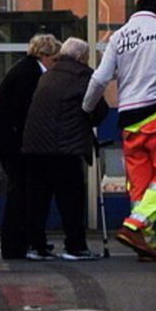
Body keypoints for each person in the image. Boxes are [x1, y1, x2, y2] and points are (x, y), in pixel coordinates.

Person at [83, 0, 156, 261]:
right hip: (155, 114)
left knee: (140, 186)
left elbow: (100, 79)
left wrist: (85, 110)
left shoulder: (118, 37)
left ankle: (146, 245)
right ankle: (135, 226)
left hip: (128, 120)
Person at [22, 37, 108, 261]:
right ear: (81, 57)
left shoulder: (47, 75)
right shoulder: (83, 76)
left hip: (35, 146)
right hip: (65, 148)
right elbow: (100, 109)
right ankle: (75, 246)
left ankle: (37, 246)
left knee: (38, 198)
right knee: (71, 199)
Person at [0, 33, 62, 259]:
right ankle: (16, 244)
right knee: (21, 193)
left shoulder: (25, 69)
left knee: (22, 192)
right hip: (15, 142)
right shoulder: (29, 74)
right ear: (43, 55)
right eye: (54, 59)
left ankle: (23, 241)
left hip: (11, 140)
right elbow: (22, 112)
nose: (55, 65)